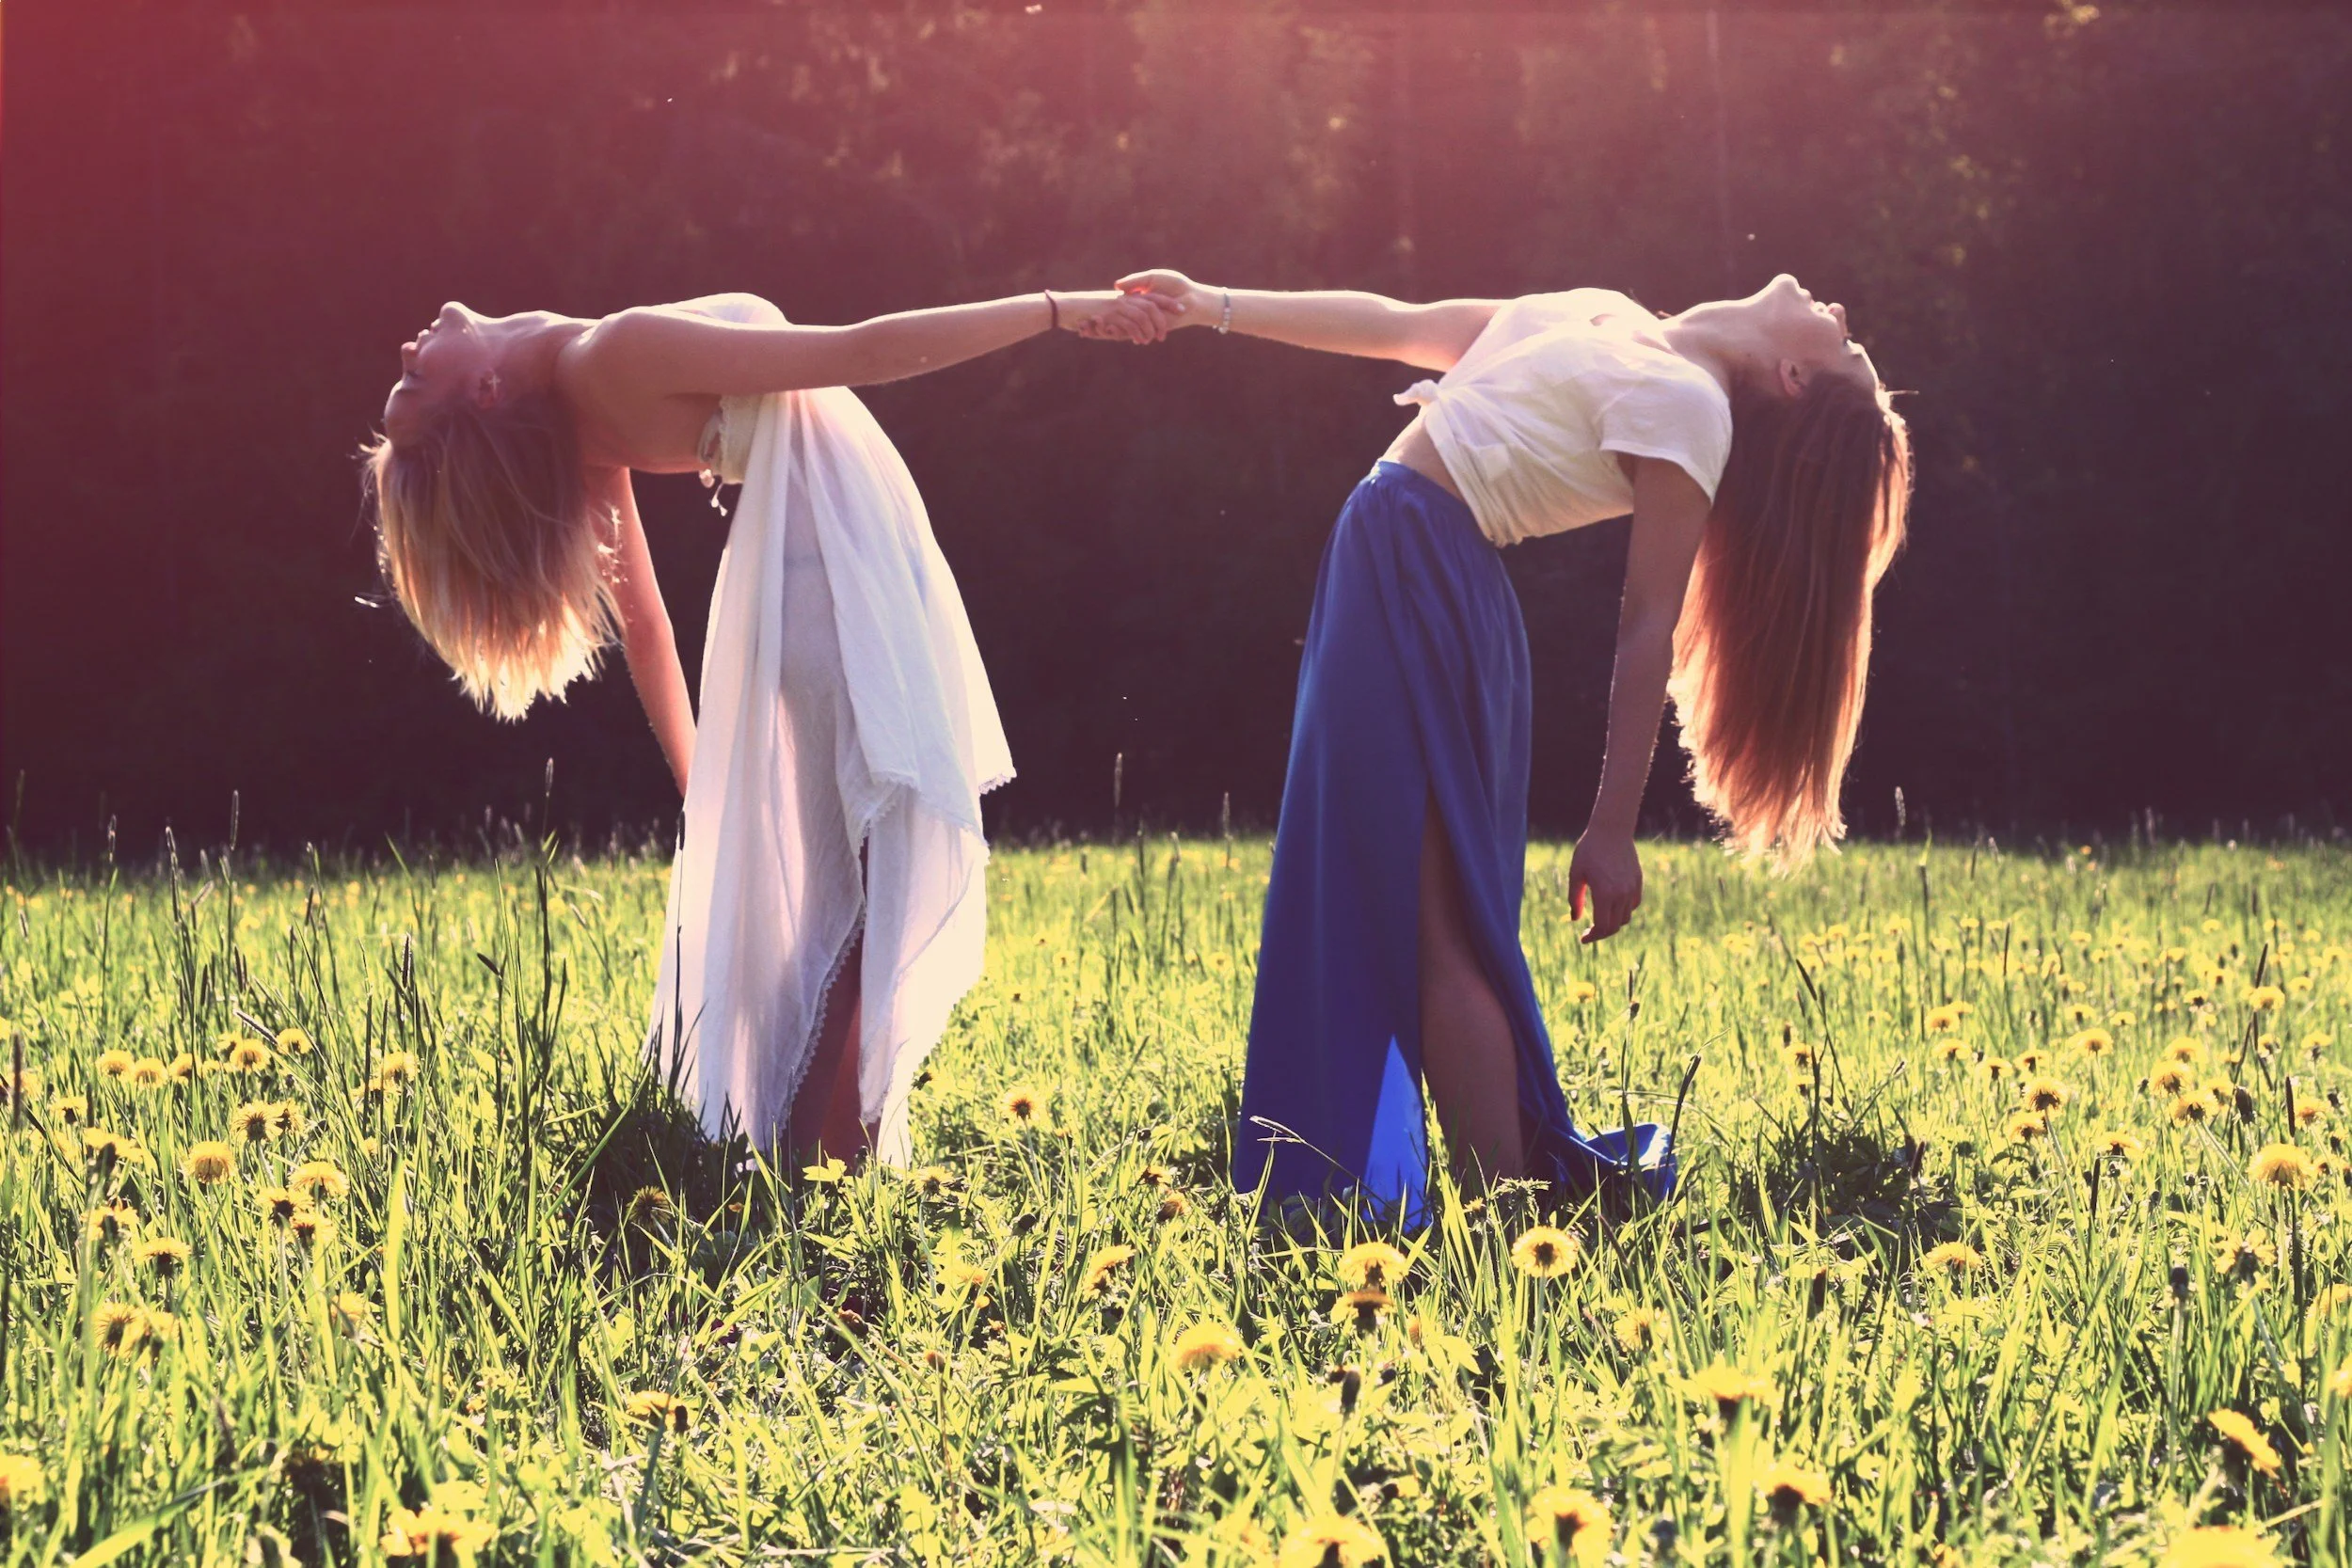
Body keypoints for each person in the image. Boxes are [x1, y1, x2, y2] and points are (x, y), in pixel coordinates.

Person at [1115, 268, 1912, 1218]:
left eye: (1846, 346)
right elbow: (1400, 317)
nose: (1842, 312)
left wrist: (1611, 827)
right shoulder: (1617, 315)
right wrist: (1211, 305)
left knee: (1432, 924)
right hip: (1399, 556)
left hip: (1423, 571)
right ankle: (1505, 1205)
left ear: (1790, 375)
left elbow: (1646, 625)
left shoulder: (1690, 411)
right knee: (1417, 910)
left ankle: (1509, 1218)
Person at [362, 285, 1175, 1164]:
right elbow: (865, 345)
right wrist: (1055, 309)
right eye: (412, 388)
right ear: (484, 390)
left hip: (828, 590)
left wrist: (704, 793)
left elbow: (646, 628)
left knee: (851, 903)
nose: (404, 358)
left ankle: (813, 1154)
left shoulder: (584, 394)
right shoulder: (614, 356)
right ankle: (818, 1161)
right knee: (861, 901)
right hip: (837, 598)